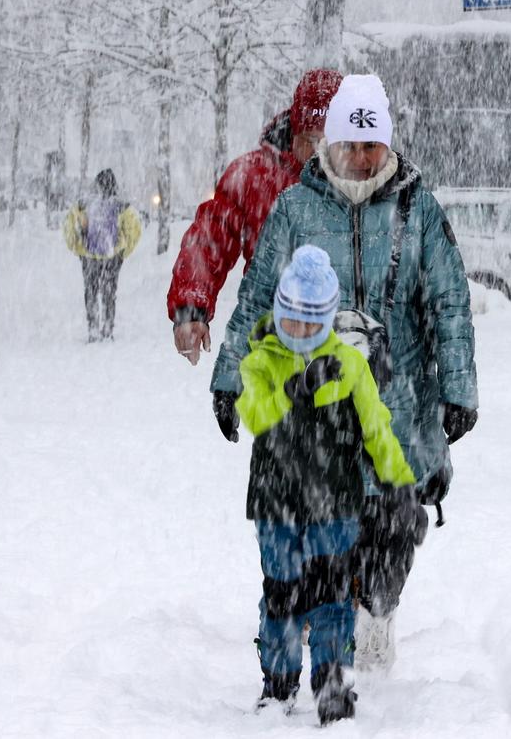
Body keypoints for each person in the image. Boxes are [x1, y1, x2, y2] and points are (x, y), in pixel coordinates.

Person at [211, 73, 479, 668]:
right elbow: (257, 298)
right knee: (315, 520)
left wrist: (458, 386)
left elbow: (449, 302)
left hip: (400, 404)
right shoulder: (295, 209)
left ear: (387, 144)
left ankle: (377, 606)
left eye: (371, 145)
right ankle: (319, 616)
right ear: (329, 143)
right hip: (317, 407)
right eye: (350, 144)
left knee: (396, 521)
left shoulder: (420, 210)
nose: (360, 158)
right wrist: (230, 378)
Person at [236, 244, 416, 724]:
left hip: (334, 507)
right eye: (292, 320)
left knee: (334, 599)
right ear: (280, 310)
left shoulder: (349, 366)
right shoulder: (261, 360)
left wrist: (401, 484)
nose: (299, 333)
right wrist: (295, 392)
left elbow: (377, 428)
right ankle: (277, 686)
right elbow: (255, 415)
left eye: (311, 324)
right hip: (277, 506)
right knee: (282, 598)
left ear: (328, 319)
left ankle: (333, 683)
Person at [167, 68, 344, 365]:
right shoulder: (252, 176)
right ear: (294, 132)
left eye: (331, 143)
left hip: (347, 350)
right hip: (272, 345)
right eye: (311, 140)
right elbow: (208, 240)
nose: (319, 154)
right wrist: (190, 309)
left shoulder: (367, 179)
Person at [62, 168, 141, 342]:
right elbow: (134, 230)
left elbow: (68, 226)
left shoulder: (83, 204)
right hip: (112, 256)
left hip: (89, 256)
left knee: (90, 291)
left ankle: (93, 328)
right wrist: (123, 251)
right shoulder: (121, 205)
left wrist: (77, 248)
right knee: (109, 293)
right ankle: (107, 327)